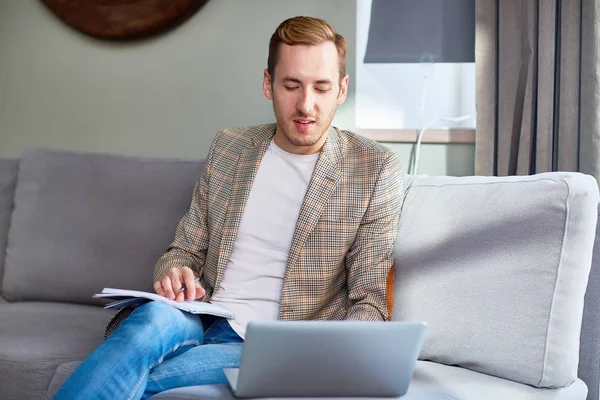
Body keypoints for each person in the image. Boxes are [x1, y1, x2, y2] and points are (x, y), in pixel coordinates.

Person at [54, 15, 403, 400]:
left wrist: (335, 356)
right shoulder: (230, 147)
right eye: (292, 85)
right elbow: (182, 252)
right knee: (150, 319)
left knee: (140, 377)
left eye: (321, 88)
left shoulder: (372, 168)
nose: (306, 105)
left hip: (271, 344)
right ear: (268, 84)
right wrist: (175, 274)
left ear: (341, 89)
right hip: (200, 315)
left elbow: (369, 294)